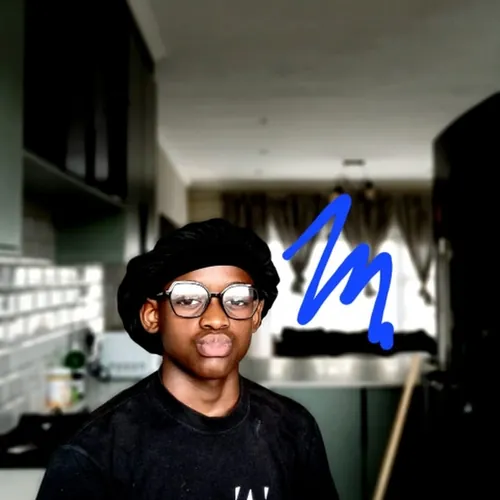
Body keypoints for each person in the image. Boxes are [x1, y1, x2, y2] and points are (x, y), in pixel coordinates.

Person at [36, 218, 340, 500]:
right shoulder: (93, 454)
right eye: (189, 299)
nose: (216, 319)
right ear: (153, 316)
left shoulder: (293, 429)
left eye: (237, 300)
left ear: (256, 315)